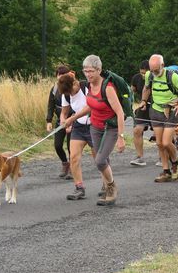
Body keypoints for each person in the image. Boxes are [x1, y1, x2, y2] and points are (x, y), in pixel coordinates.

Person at [63, 55, 126, 206]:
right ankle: (107, 186)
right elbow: (91, 105)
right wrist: (72, 118)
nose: (88, 74)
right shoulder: (90, 85)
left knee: (99, 160)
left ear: (99, 70)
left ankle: (111, 187)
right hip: (95, 127)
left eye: (91, 71)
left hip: (109, 128)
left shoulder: (108, 88)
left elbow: (120, 112)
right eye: (85, 71)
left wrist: (121, 136)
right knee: (101, 160)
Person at [139, 54, 178, 183]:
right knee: (160, 143)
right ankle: (166, 171)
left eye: (156, 70)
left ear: (162, 65)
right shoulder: (149, 75)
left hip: (171, 110)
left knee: (166, 142)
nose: (154, 73)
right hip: (155, 110)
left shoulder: (172, 76)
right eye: (152, 70)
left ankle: (176, 163)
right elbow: (146, 88)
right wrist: (144, 101)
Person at [57, 72, 94, 200]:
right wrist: (63, 121)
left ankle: (107, 185)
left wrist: (72, 119)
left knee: (99, 158)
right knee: (73, 157)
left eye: (71, 91)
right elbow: (64, 112)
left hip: (94, 126)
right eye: (67, 93)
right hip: (79, 127)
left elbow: (90, 107)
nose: (70, 94)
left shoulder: (87, 87)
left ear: (75, 83)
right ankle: (79, 188)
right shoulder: (66, 94)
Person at [46, 65, 73, 179]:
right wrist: (49, 120)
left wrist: (71, 121)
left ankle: (73, 167)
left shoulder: (74, 88)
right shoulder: (54, 89)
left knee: (71, 146)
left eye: (63, 74)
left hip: (73, 120)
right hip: (60, 121)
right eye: (59, 74)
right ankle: (65, 164)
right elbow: (50, 105)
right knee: (57, 145)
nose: (60, 76)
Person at [130, 60, 151, 167]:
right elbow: (131, 90)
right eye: (142, 73)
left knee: (158, 134)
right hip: (143, 107)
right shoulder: (136, 78)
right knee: (137, 130)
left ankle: (163, 157)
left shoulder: (156, 78)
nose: (143, 75)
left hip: (156, 107)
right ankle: (140, 157)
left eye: (145, 73)